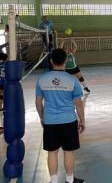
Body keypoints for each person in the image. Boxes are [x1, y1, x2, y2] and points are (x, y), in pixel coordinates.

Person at [35, 48, 85, 183]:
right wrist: (82, 120)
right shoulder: (72, 80)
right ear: (65, 61)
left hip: (50, 121)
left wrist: (42, 117)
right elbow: (79, 104)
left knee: (52, 152)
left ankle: (54, 181)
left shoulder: (42, 79)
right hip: (68, 120)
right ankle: (69, 180)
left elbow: (38, 102)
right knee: (68, 152)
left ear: (51, 61)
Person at [0, 52, 7, 132]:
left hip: (0, 83)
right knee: (5, 97)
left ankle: (2, 109)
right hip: (5, 83)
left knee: (1, 98)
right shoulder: (6, 64)